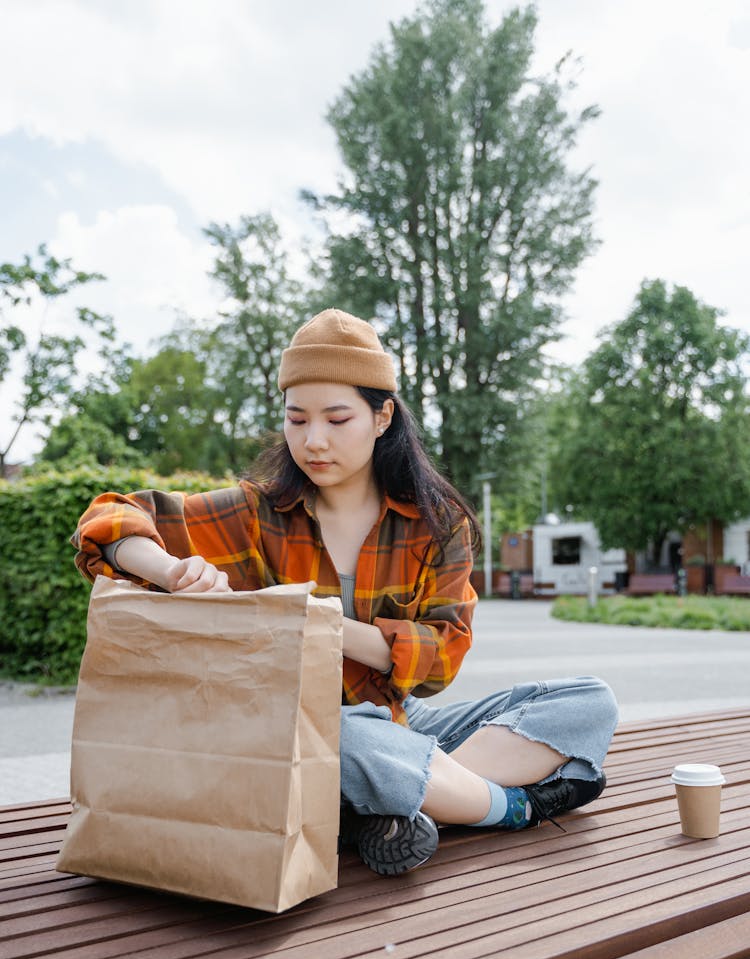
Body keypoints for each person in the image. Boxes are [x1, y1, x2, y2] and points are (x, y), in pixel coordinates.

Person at [73, 308, 618, 877]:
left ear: (382, 416)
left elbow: (441, 658)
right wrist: (169, 571)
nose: (313, 441)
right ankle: (508, 807)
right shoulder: (255, 511)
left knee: (587, 701)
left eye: (337, 419)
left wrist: (319, 621)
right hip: (294, 728)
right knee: (346, 739)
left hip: (400, 720)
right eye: (297, 419)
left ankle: (390, 802)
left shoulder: (436, 524)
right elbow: (107, 518)